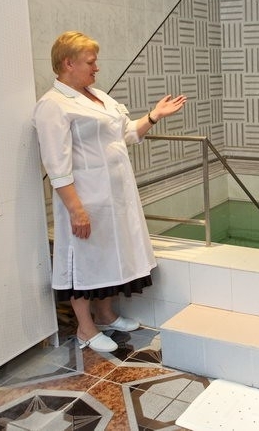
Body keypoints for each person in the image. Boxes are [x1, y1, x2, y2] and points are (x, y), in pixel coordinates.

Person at [33, 31, 187, 352]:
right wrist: (76, 210)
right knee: (82, 262)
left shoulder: (98, 96)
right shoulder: (53, 105)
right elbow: (57, 165)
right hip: (85, 199)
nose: (97, 67)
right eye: (91, 62)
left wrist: (153, 116)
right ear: (68, 63)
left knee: (108, 257)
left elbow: (126, 134)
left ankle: (105, 315)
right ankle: (85, 329)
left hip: (114, 197)